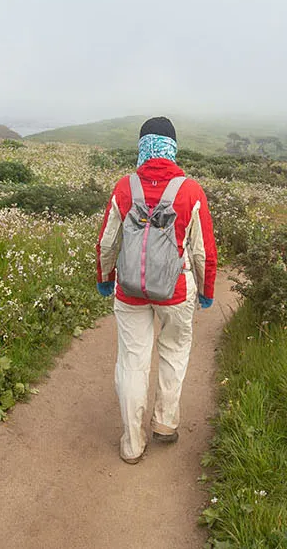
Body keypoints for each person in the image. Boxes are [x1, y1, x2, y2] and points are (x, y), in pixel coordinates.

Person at [95, 116, 217, 464]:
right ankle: (164, 422)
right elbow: (203, 251)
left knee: (132, 362)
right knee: (174, 351)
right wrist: (206, 290)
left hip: (130, 291)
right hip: (176, 291)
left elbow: (106, 243)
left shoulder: (124, 187)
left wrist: (106, 279)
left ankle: (132, 443)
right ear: (172, 148)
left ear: (142, 146)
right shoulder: (190, 190)